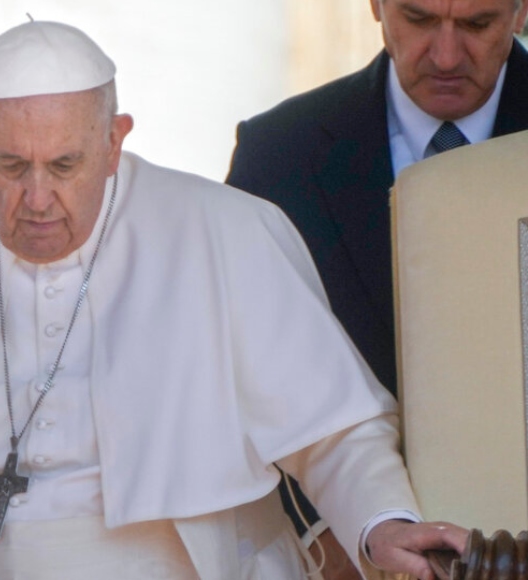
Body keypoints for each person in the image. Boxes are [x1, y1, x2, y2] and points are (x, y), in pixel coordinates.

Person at [0, 19, 465, 580]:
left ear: (114, 140)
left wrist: (382, 525)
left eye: (65, 165)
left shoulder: (223, 230)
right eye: (10, 167)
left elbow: (333, 428)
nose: (37, 200)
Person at [225, 1, 528, 576]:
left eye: (476, 24)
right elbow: (243, 371)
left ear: (521, 11)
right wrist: (329, 532)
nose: (445, 56)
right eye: (417, 19)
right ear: (376, 5)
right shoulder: (277, 155)